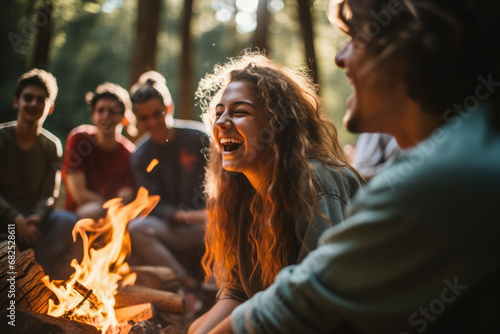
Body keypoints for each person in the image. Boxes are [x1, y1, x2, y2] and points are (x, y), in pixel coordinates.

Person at [208, 0, 500, 333]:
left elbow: (306, 304)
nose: (340, 57)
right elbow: (248, 292)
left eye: (357, 38)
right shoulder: (462, 148)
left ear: (405, 52)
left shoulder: (447, 175)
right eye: (218, 112)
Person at [188, 52, 363, 334]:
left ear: (276, 124)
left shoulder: (316, 183)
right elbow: (238, 291)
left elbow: (317, 295)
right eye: (219, 112)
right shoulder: (242, 197)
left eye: (240, 112)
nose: (221, 122)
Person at [127, 71, 209, 296]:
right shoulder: (140, 156)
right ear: (136, 118)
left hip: (214, 222)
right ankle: (186, 284)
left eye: (157, 113)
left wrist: (214, 212)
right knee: (137, 227)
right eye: (144, 118)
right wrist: (191, 217)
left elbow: (226, 180)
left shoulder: (200, 138)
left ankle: (220, 291)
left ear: (169, 107)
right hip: (177, 227)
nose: (152, 122)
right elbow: (153, 204)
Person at [0, 68, 79, 279]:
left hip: (33, 219)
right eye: (28, 98)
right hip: (4, 218)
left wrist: (36, 218)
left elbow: (49, 193)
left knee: (68, 221)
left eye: (41, 100)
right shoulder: (1, 137)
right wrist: (16, 221)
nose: (34, 104)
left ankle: (35, 279)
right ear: (16, 101)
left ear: (50, 107)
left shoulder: (51, 145)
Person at [62, 82, 135, 220]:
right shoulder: (79, 139)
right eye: (100, 110)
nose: (105, 116)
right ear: (93, 116)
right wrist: (110, 208)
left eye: (112, 111)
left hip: (116, 218)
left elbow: (127, 194)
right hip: (77, 218)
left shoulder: (130, 154)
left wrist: (124, 198)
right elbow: (80, 194)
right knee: (94, 211)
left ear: (124, 118)